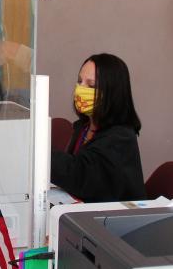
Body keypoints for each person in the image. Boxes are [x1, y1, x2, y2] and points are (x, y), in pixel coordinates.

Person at [50, 53, 146, 202]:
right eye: (79, 81)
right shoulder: (84, 127)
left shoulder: (120, 138)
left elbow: (80, 175)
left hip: (110, 221)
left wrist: (38, 155)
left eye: (91, 85)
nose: (79, 90)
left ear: (112, 92)